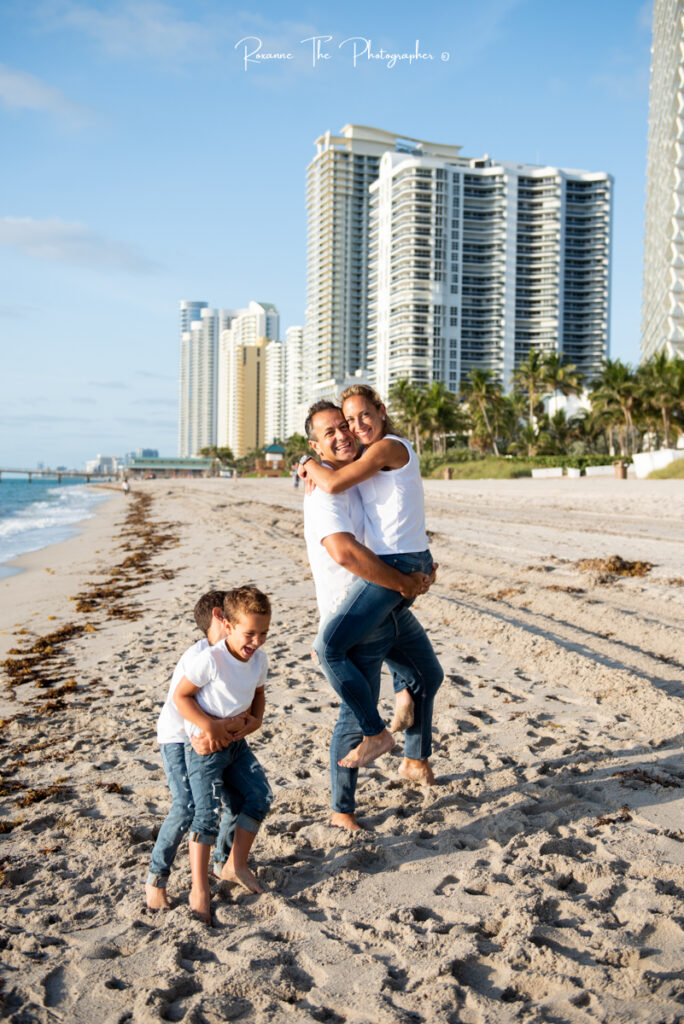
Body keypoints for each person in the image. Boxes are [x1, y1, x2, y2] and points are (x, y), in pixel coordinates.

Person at [303, 401, 443, 830]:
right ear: (315, 444)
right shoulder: (325, 496)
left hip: (384, 601)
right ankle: (342, 810)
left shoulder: (360, 474)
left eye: (345, 425)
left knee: (426, 674)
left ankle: (414, 761)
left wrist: (417, 569)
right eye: (330, 432)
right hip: (358, 610)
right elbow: (345, 553)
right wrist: (404, 584)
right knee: (353, 712)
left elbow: (394, 520)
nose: (343, 433)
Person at [174, 585, 273, 922]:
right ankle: (199, 889)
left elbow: (258, 692)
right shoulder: (211, 659)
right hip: (206, 748)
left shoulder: (258, 659)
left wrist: (256, 720)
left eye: (263, 633)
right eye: (249, 633)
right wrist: (210, 727)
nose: (256, 642)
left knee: (260, 795)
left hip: (237, 745)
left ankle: (235, 864)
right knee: (207, 815)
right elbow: (181, 698)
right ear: (228, 626)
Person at [145, 590, 239, 910]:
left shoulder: (228, 652)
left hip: (206, 735)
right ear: (218, 616)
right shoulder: (198, 655)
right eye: (233, 612)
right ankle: (156, 879)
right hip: (178, 736)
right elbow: (182, 704)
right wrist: (203, 737)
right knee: (185, 805)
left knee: (231, 796)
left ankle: (223, 862)